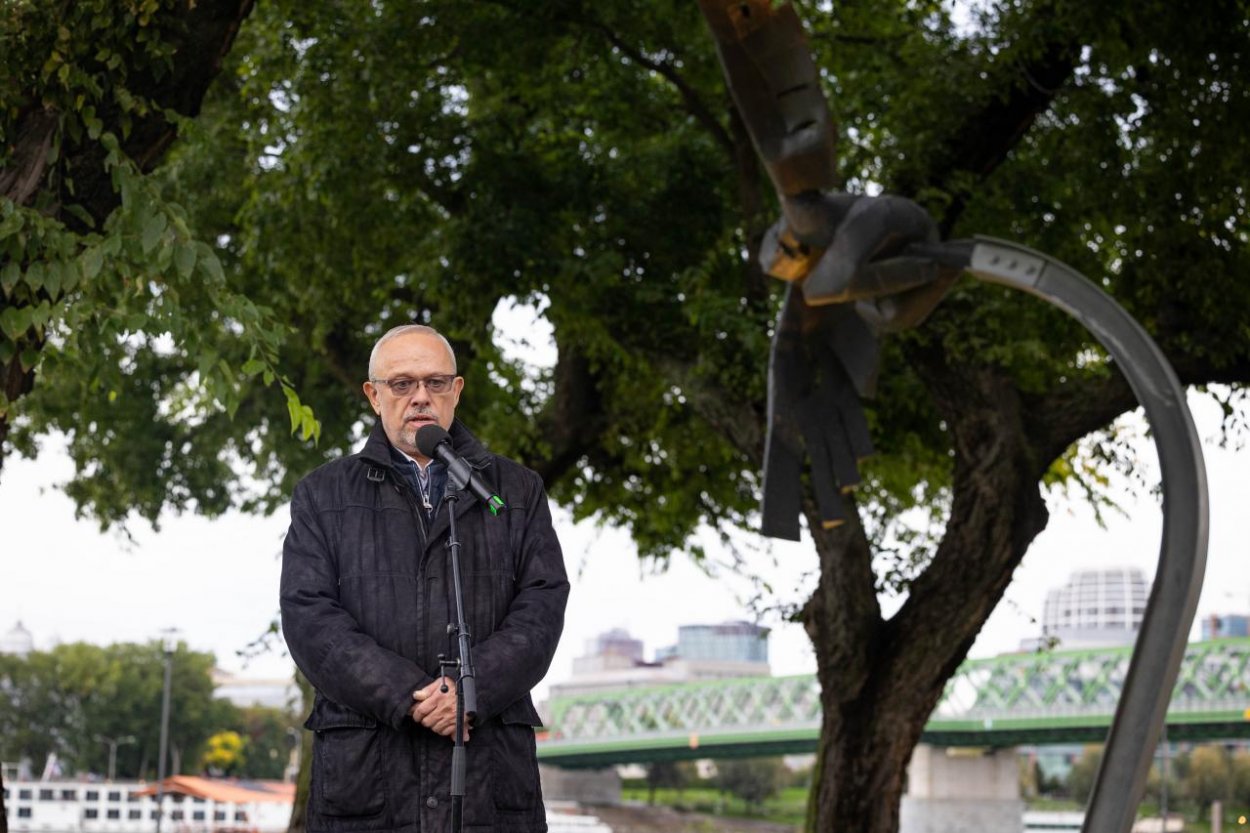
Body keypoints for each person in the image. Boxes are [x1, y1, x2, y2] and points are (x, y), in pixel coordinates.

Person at [280, 323, 569, 833]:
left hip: (490, 784)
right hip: (366, 783)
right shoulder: (321, 495)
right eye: (402, 384)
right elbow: (310, 617)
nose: (420, 398)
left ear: (456, 391)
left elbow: (542, 608)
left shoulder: (516, 491)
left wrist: (469, 690)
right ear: (373, 395)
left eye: (436, 383)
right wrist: (413, 695)